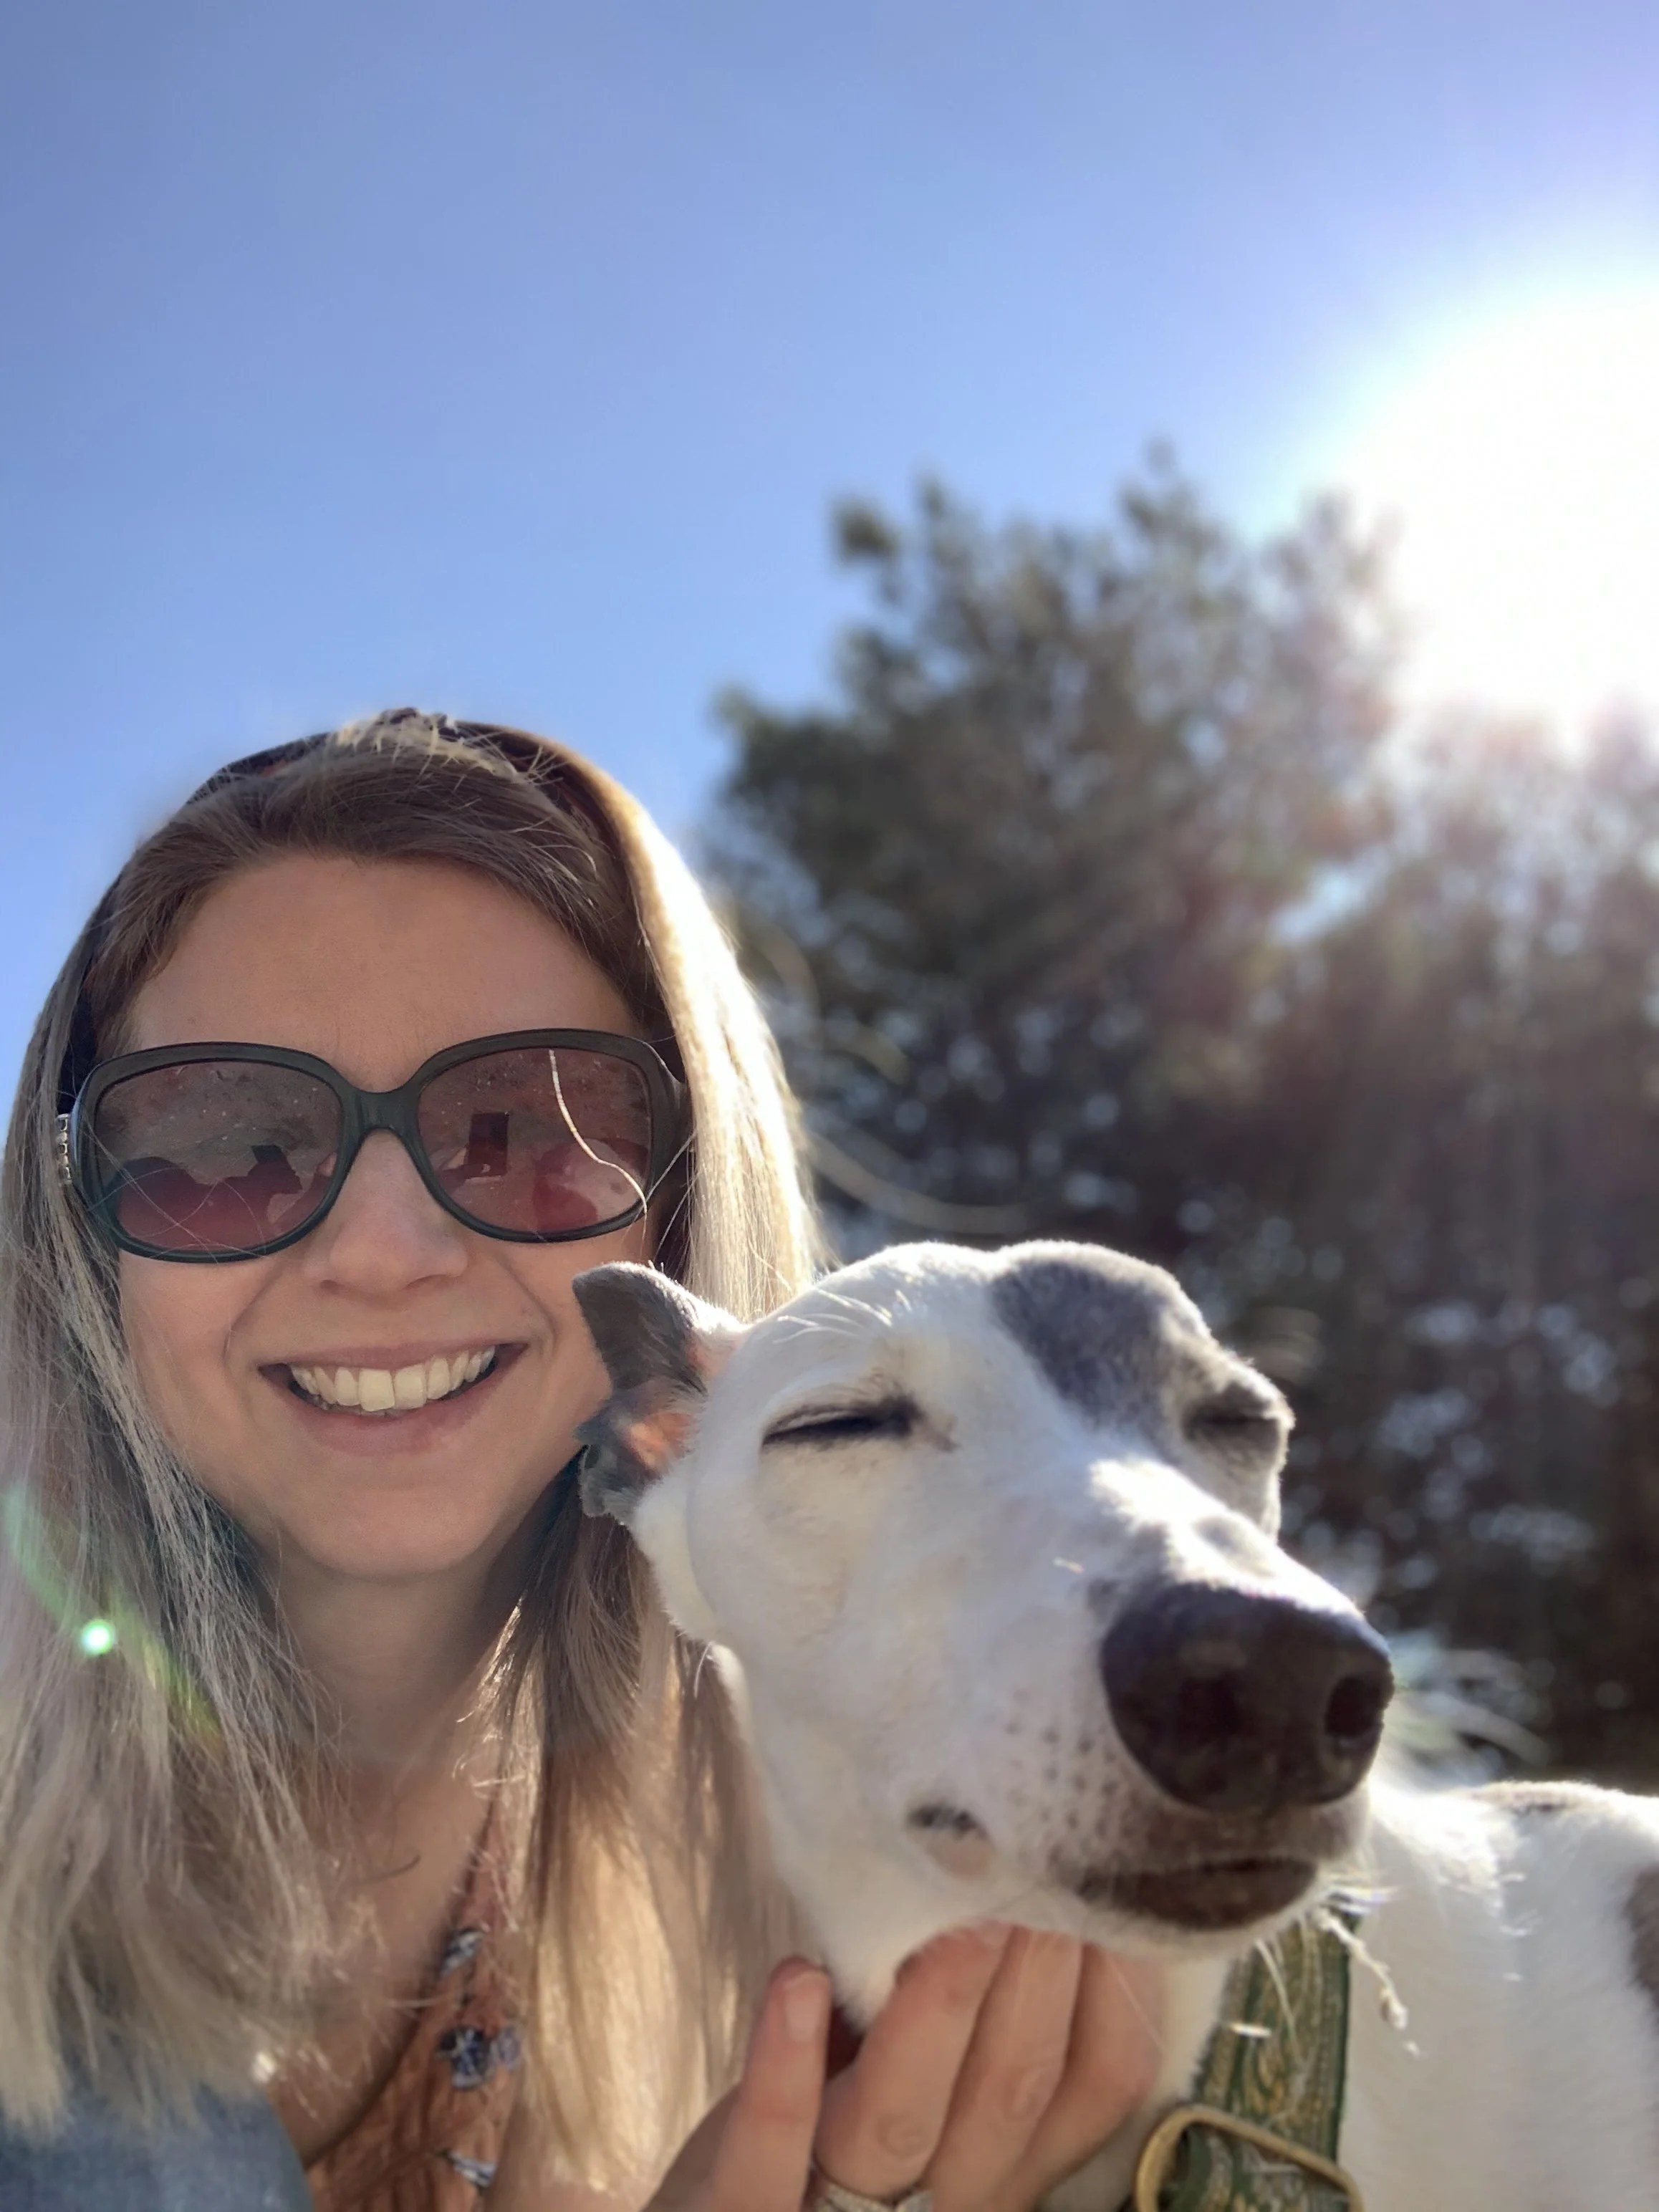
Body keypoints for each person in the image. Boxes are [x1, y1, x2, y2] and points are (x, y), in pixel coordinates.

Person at [0, 711, 1160, 2211]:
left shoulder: (821, 1837)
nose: (382, 1251)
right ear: (82, 1238)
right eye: (226, 1145)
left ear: (670, 1236)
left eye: (524, 1127)